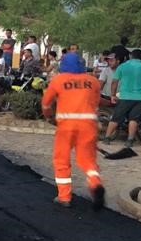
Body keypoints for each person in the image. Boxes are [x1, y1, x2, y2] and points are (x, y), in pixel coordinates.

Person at [41, 48, 105, 210]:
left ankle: (64, 196)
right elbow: (95, 103)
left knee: (61, 159)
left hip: (66, 126)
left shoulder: (58, 80)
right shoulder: (93, 81)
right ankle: (96, 184)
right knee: (87, 160)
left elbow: (46, 103)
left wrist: (49, 116)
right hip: (88, 125)